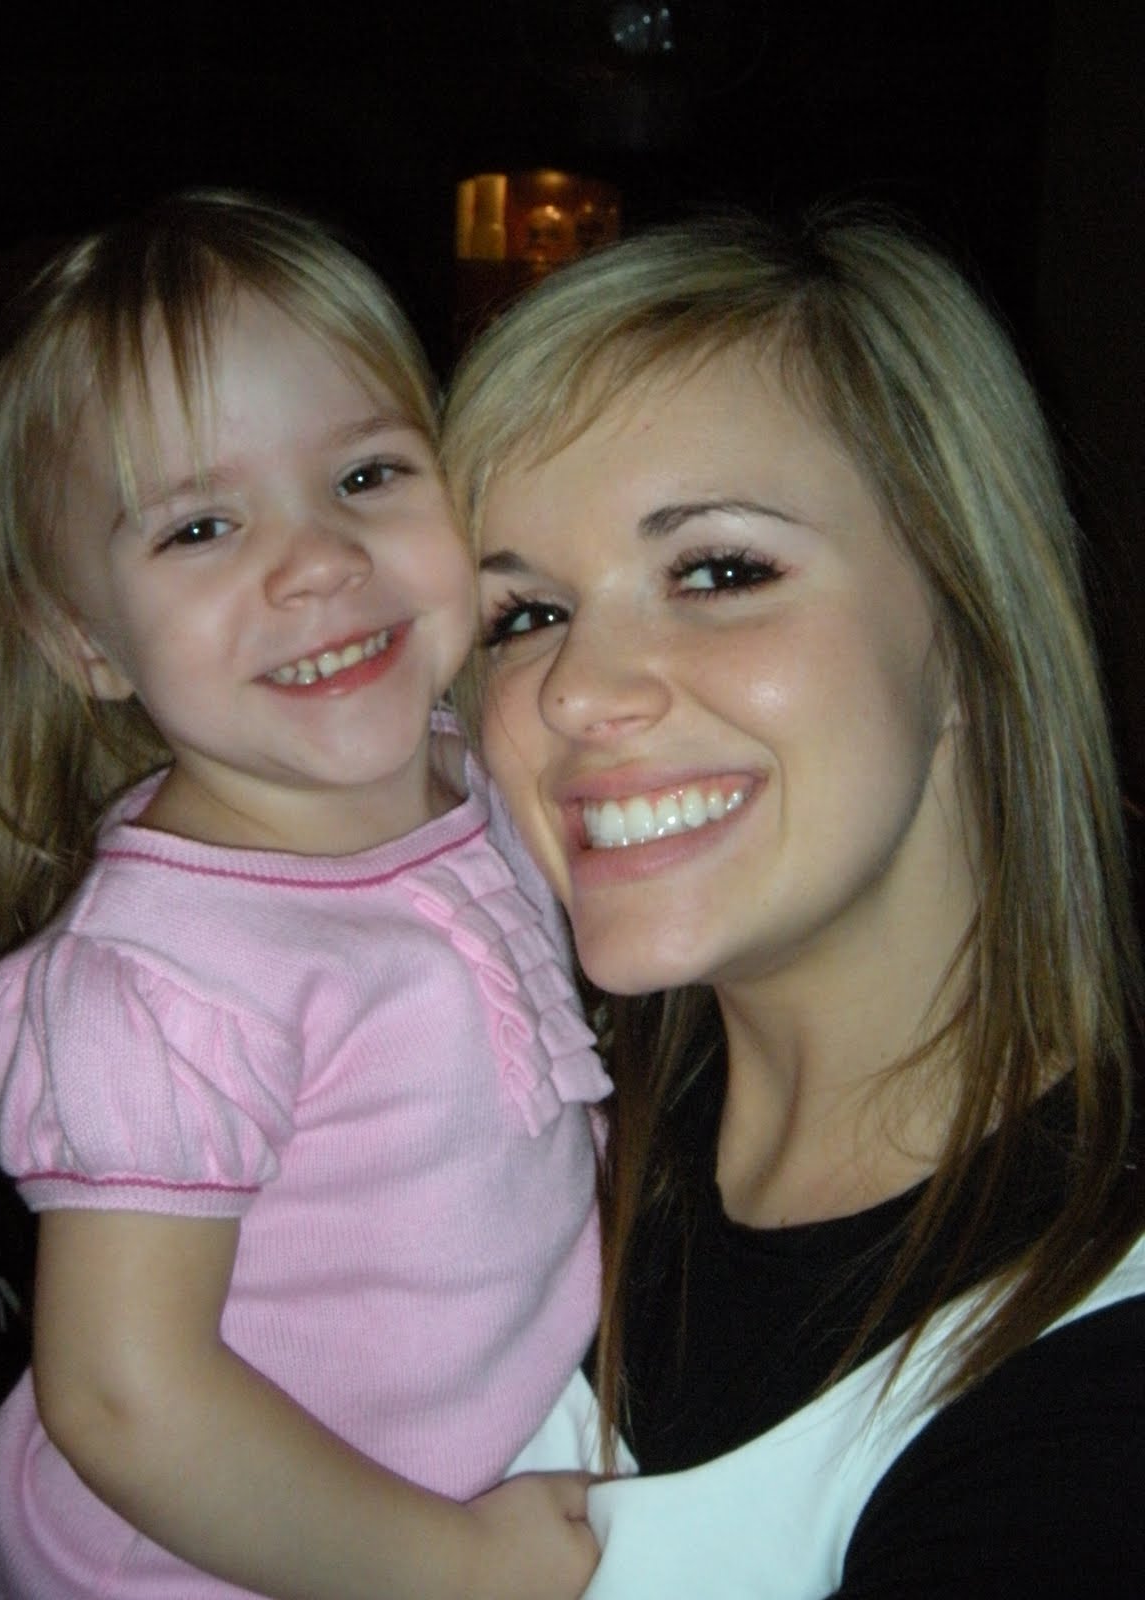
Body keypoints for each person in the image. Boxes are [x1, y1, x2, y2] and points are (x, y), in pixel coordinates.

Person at [441, 206, 1145, 1596]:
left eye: (718, 571)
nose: (574, 693)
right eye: (523, 615)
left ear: (968, 629)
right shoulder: (497, 1143)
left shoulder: (1091, 1410)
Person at [0, 190, 609, 1600]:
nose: (317, 562)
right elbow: (125, 1400)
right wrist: (449, 1569)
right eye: (199, 528)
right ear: (83, 642)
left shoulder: (480, 768)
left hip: (476, 1471)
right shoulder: (161, 980)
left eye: (367, 474)